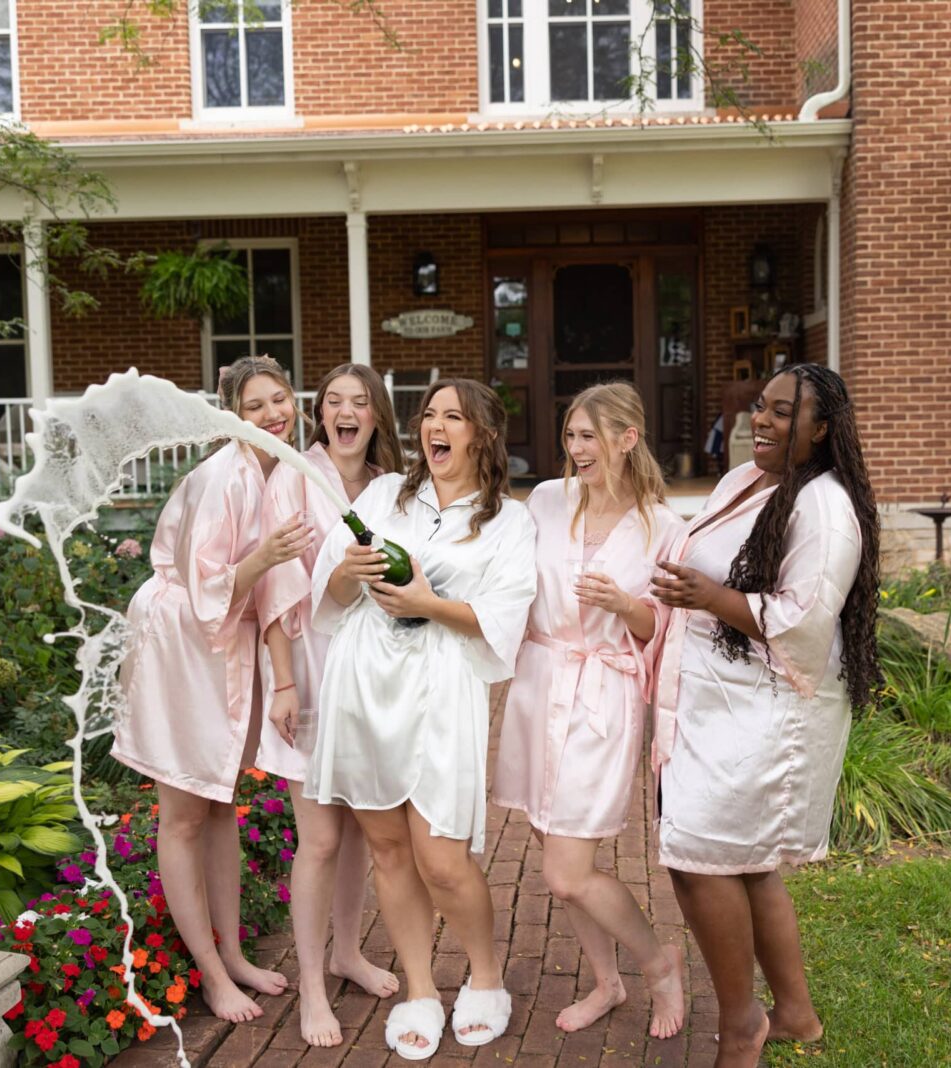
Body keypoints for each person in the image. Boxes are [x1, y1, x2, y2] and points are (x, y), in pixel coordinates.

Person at [649, 363, 881, 1068]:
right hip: (719, 703)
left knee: (697, 858)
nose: (764, 420)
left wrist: (708, 597)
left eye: (785, 412)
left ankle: (741, 1024)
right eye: (761, 406)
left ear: (821, 428)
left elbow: (807, 619)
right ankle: (798, 1015)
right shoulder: (747, 481)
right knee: (740, 864)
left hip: (770, 711)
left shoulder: (825, 507)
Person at [308, 379, 536, 1061]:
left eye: (453, 417)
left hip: (441, 688)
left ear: (483, 435)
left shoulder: (508, 521)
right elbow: (335, 592)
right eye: (429, 415)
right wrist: (351, 569)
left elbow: (505, 617)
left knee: (441, 857)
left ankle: (487, 979)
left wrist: (428, 603)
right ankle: (418, 988)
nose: (435, 427)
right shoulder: (384, 498)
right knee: (387, 849)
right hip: (366, 684)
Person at [113, 355, 313, 1023]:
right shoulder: (221, 477)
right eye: (255, 406)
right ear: (231, 415)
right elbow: (209, 591)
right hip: (183, 641)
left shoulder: (279, 469)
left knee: (221, 799)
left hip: (226, 638)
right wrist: (264, 557)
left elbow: (277, 585)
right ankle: (208, 973)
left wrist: (284, 679)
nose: (272, 414)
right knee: (184, 811)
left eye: (279, 399)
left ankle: (230, 954)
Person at [491, 382, 687, 1038]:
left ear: (627, 439)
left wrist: (623, 606)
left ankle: (659, 965)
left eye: (587, 436)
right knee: (556, 854)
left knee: (566, 871)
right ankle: (607, 983)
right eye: (570, 435)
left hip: (602, 693)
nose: (575, 449)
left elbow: (667, 625)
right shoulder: (547, 501)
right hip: (538, 682)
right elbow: (508, 578)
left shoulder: (664, 526)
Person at [253, 364, 406, 1047]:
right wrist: (283, 683)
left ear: (377, 417)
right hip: (307, 669)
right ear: (321, 416)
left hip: (367, 674)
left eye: (361, 402)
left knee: (355, 833)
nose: (347, 413)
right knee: (317, 837)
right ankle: (313, 986)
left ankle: (349, 952)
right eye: (334, 403)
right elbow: (276, 590)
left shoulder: (387, 488)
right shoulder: (294, 475)